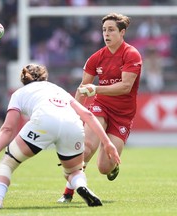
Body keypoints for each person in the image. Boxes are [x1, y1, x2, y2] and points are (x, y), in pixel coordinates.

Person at [0, 63, 121, 209]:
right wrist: (107, 143)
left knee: (8, 162)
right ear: (45, 77)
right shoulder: (57, 89)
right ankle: (81, 186)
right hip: (72, 123)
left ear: (23, 80)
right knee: (75, 171)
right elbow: (87, 114)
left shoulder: (19, 93)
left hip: (44, 121)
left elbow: (7, 128)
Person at [57, 13, 142, 203]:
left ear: (122, 32)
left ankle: (113, 166)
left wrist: (96, 88)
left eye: (111, 30)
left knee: (105, 167)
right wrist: (74, 116)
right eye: (104, 30)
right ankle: (68, 193)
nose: (107, 34)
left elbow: (125, 87)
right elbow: (82, 88)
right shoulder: (96, 58)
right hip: (100, 106)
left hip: (123, 115)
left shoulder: (131, 54)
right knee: (86, 148)